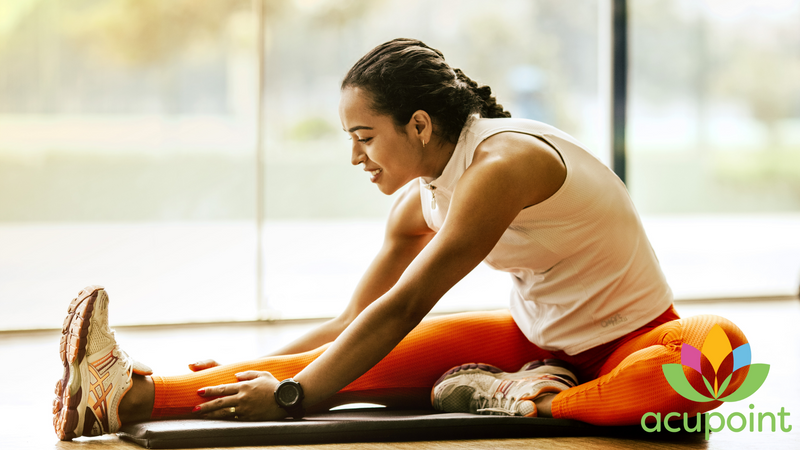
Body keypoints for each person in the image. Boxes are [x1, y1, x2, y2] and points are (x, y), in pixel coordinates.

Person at [53, 38, 748, 440]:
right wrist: (253, 369)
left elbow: (407, 305)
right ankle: (119, 395)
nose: (356, 157)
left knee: (722, 354)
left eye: (364, 136)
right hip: (533, 341)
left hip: (634, 342)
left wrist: (295, 397)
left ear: (418, 125)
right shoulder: (420, 200)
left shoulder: (503, 165)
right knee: (337, 364)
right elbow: (353, 323)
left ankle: (531, 399)